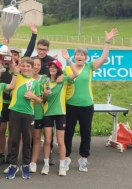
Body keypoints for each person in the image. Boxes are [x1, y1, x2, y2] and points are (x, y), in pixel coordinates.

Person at [64, 28, 118, 172]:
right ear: (74, 56)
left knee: (85, 132)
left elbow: (103, 58)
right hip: (70, 105)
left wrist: (107, 41)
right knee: (68, 132)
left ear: (86, 58)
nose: (80, 56)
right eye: (77, 54)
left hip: (87, 106)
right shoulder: (67, 68)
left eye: (82, 55)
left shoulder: (89, 66)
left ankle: (83, 159)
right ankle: (66, 158)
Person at [0, 23, 38, 166]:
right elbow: (12, 62)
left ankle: (14, 158)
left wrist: (34, 34)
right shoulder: (14, 69)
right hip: (9, 107)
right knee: (8, 133)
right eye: (12, 56)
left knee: (20, 137)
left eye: (17, 56)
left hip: (24, 109)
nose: (24, 66)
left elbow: (29, 50)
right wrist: (6, 46)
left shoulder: (28, 75)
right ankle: (6, 158)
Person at [40, 57, 79, 176]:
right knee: (47, 140)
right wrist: (44, 94)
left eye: (55, 67)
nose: (52, 69)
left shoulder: (64, 80)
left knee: (61, 141)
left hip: (61, 113)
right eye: (51, 67)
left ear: (58, 70)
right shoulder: (44, 81)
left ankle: (62, 166)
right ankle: (46, 165)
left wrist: (68, 59)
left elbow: (76, 73)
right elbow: (42, 100)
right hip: (47, 114)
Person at [6, 57, 42, 180]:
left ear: (32, 68)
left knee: (27, 141)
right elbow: (12, 65)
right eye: (23, 66)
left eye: (28, 66)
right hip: (15, 112)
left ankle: (25, 166)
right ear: (20, 66)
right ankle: (13, 165)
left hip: (28, 114)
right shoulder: (17, 76)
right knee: (14, 140)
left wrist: (33, 96)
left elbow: (39, 100)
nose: (25, 68)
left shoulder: (35, 82)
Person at [33, 38, 57, 165]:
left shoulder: (52, 61)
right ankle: (33, 155)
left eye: (44, 49)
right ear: (37, 48)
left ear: (47, 50)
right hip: (34, 100)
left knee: (48, 132)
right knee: (34, 132)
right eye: (39, 49)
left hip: (48, 99)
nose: (41, 51)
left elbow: (58, 75)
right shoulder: (33, 60)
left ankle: (50, 154)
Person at [29, 57, 47, 173]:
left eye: (38, 65)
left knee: (36, 138)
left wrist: (44, 95)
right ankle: (15, 163)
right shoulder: (23, 78)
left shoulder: (44, 79)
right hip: (25, 112)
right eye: (34, 64)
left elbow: (44, 99)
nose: (36, 67)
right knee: (22, 138)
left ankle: (33, 162)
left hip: (38, 113)